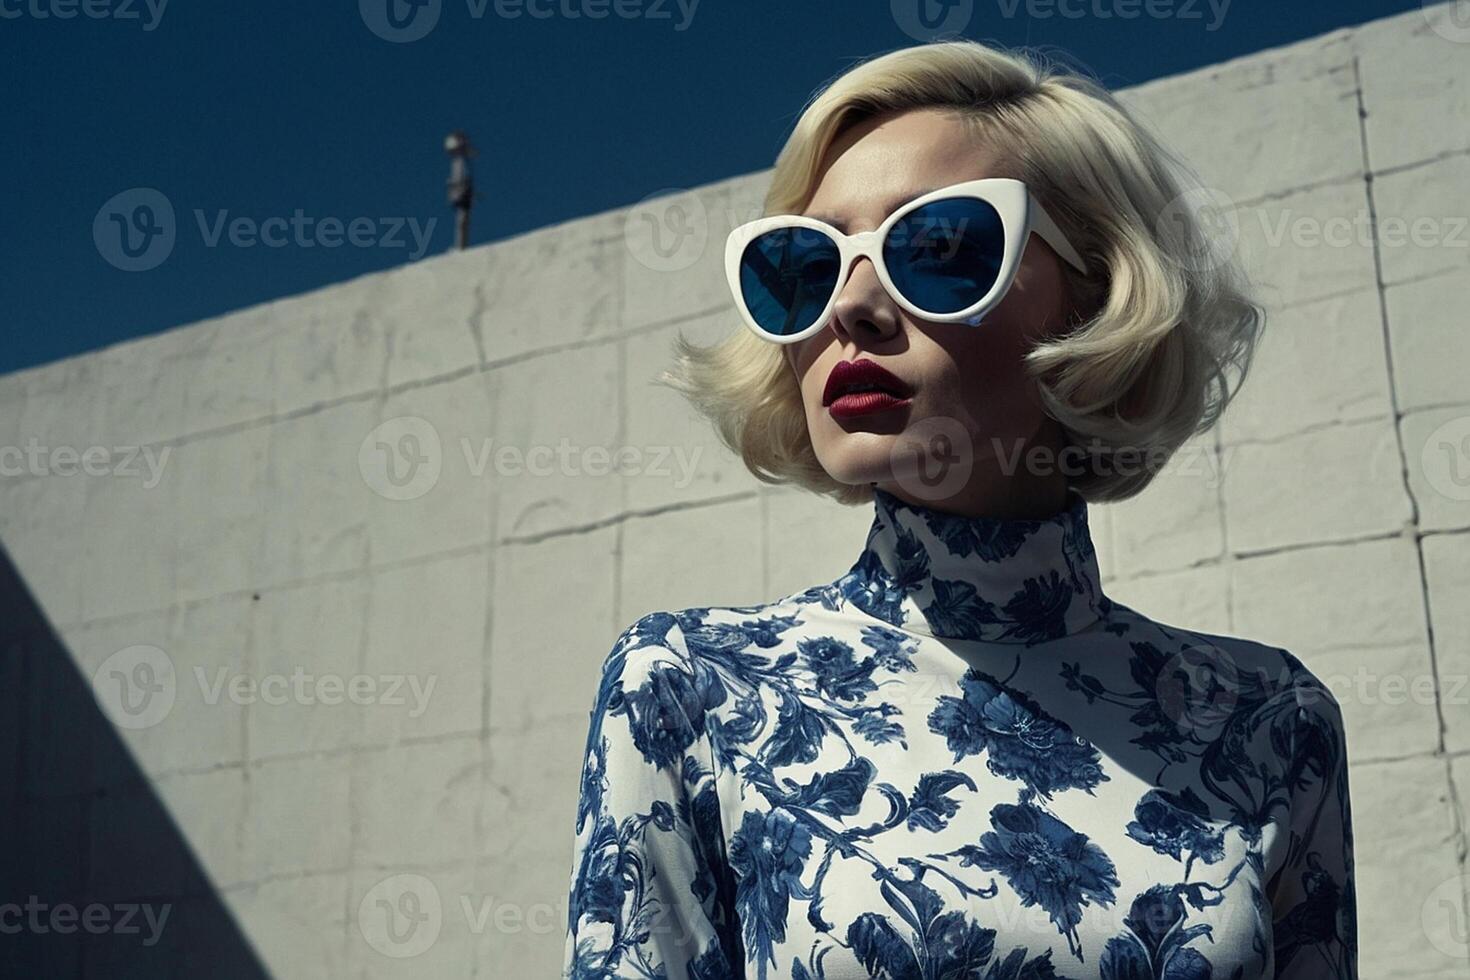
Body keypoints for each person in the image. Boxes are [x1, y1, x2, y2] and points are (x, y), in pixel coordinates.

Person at [562, 38, 1356, 980]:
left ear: (1096, 293)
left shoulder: (1268, 724)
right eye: (804, 265)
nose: (851, 305)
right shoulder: (691, 691)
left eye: (939, 247)